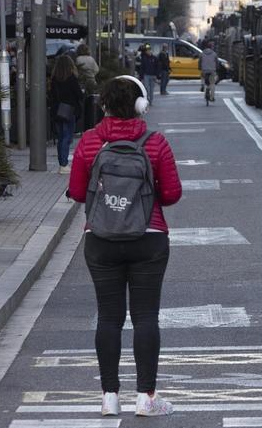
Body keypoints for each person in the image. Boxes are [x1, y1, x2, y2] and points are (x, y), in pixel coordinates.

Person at [68, 77, 182, 417]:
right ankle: (147, 398)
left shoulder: (88, 142)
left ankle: (109, 397)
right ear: (141, 106)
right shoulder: (156, 143)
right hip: (149, 237)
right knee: (146, 317)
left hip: (101, 239)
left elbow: (76, 193)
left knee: (109, 317)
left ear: (102, 105)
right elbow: (173, 194)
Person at [49, 55, 85, 174]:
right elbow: (79, 95)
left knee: (61, 138)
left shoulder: (54, 79)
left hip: (57, 110)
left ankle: (62, 163)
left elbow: (52, 96)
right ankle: (63, 165)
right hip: (69, 111)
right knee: (67, 138)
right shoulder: (71, 79)